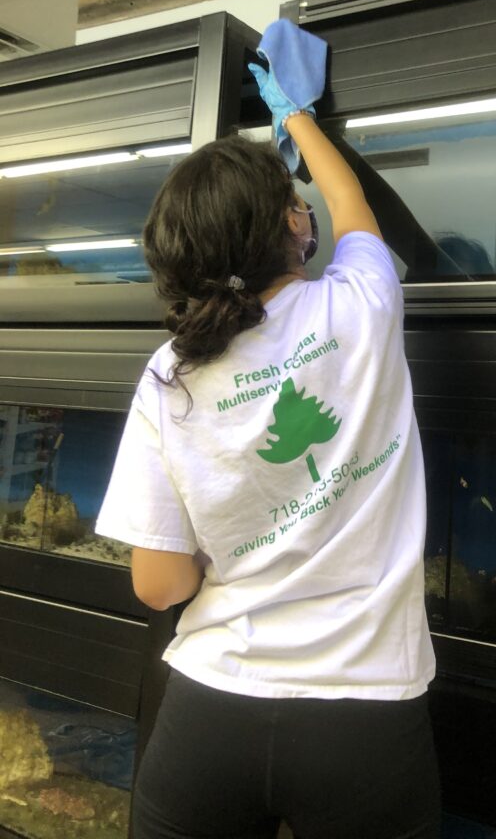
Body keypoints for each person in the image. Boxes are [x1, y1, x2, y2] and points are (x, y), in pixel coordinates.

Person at [95, 43, 440, 839]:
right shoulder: (361, 304)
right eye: (294, 200)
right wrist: (296, 117)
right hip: (368, 719)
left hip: (211, 715)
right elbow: (354, 206)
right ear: (293, 225)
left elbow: (159, 587)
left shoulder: (170, 373)